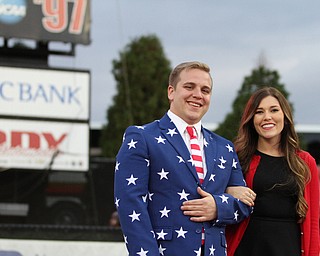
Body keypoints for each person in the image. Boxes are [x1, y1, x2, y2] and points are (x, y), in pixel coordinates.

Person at [114, 61, 253, 256]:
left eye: (205, 90)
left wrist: (217, 206)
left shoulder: (225, 148)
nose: (198, 95)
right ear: (171, 92)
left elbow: (245, 206)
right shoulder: (142, 137)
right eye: (189, 87)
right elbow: (130, 204)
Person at [226, 87, 319, 256]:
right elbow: (214, 193)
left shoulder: (305, 162)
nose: (267, 117)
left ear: (285, 115)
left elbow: (313, 221)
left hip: (288, 247)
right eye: (259, 112)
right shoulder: (236, 157)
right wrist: (228, 190)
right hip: (247, 247)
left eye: (274, 110)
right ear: (251, 119)